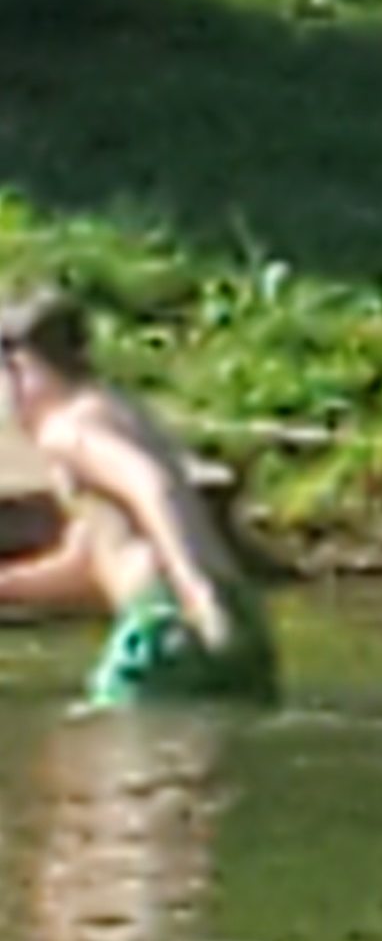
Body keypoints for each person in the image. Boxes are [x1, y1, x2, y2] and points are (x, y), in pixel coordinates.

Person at [0, 289, 279, 708]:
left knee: (112, 754)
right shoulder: (120, 411)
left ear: (22, 370)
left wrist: (194, 591)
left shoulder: (68, 430)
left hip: (169, 619)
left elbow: (150, 485)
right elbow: (91, 563)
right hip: (238, 611)